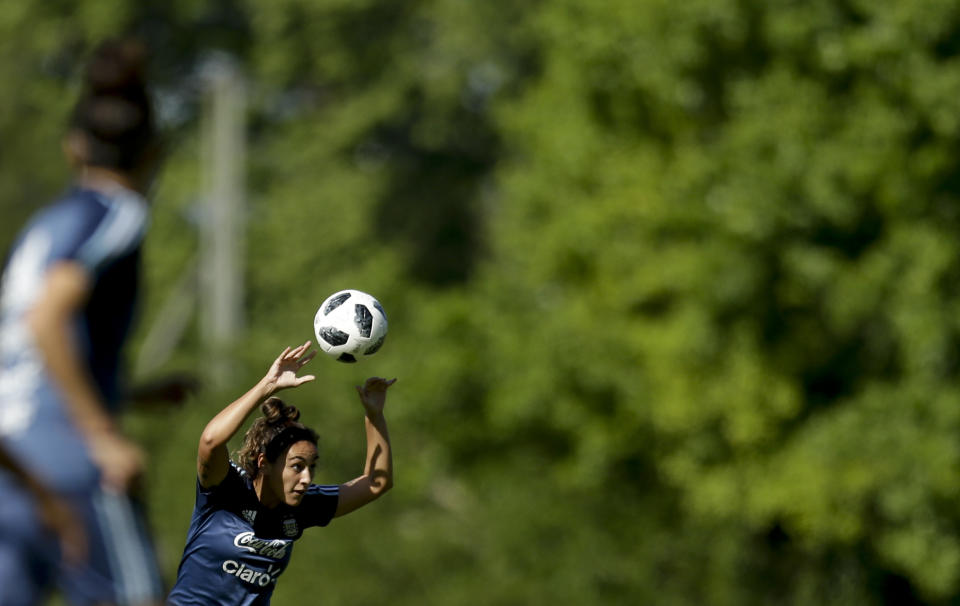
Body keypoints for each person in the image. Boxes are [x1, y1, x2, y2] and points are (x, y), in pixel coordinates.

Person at [0, 37, 187, 605]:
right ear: (153, 152)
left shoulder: (45, 223)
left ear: (73, 147)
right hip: (68, 462)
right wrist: (103, 434)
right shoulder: (117, 211)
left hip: (10, 464)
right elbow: (47, 316)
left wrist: (121, 394)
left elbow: (20, 357)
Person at [167, 342, 395, 605]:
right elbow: (210, 441)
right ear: (264, 462)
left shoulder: (302, 504)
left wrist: (374, 416)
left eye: (311, 467)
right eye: (297, 466)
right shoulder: (225, 490)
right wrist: (267, 386)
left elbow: (377, 483)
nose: (307, 478)